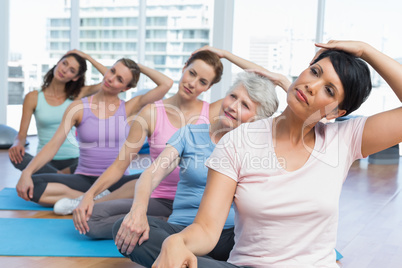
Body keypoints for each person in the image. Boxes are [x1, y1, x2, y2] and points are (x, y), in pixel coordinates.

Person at [149, 40, 402, 268]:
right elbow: (206, 228)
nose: (311, 86)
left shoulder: (344, 140)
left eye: (329, 90)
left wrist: (366, 51)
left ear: (337, 113)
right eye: (315, 72)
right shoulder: (238, 141)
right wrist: (177, 242)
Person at [68, 47, 290, 239]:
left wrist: (226, 55)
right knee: (93, 218)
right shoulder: (151, 113)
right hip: (162, 198)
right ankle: (144, 217)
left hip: (200, 204)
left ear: (209, 87)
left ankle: (158, 225)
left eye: (202, 81)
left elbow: (257, 88)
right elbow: (120, 164)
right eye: (191, 73)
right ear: (184, 68)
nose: (192, 84)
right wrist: (89, 195)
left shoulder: (220, 110)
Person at [112, 70, 280, 266]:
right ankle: (195, 261)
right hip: (182, 232)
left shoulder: (256, 150)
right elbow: (152, 174)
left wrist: (284, 81)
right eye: (233, 96)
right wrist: (138, 211)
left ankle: (182, 261)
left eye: (245, 105)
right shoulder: (189, 134)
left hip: (230, 237)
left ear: (256, 120)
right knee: (123, 230)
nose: (233, 106)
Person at [15, 57, 173, 206]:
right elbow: (54, 144)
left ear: (126, 88)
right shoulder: (78, 107)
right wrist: (27, 172)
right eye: (112, 71)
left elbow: (166, 84)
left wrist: (137, 66)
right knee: (33, 184)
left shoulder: (129, 107)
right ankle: (91, 200)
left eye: (120, 79)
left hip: (116, 181)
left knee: (155, 177)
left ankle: (87, 201)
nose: (111, 79)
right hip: (84, 179)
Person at [9, 50, 105, 175]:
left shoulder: (78, 94)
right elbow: (21, 135)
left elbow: (110, 79)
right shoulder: (33, 97)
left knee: (99, 160)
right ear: (58, 63)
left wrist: (87, 57)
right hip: (44, 161)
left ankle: (53, 178)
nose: (65, 70)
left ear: (75, 78)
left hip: (73, 160)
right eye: (64, 63)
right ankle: (62, 177)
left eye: (72, 70)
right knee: (17, 158)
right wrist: (16, 144)